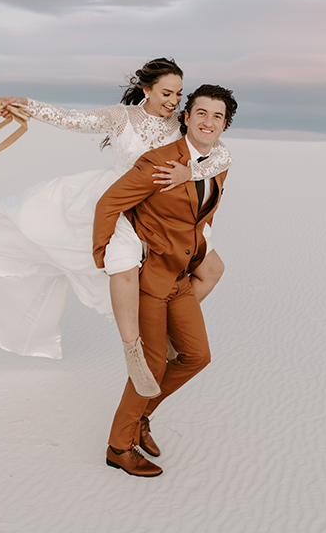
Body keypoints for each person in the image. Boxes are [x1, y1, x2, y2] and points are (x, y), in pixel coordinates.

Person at [0, 60, 232, 395]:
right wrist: (25, 105)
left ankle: (167, 327)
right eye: (166, 92)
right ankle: (133, 349)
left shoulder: (182, 122)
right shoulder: (120, 118)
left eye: (178, 93)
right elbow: (70, 119)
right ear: (146, 90)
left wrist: (188, 173)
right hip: (122, 203)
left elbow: (221, 155)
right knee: (124, 264)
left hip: (167, 207)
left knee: (212, 269)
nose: (174, 100)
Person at [92, 84, 237, 477]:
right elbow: (110, 202)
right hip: (151, 279)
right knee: (152, 364)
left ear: (225, 124)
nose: (209, 121)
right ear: (186, 117)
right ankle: (119, 446)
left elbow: (200, 213)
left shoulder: (217, 162)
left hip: (181, 276)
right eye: (201, 113)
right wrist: (102, 253)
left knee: (196, 356)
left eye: (217, 116)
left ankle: (142, 414)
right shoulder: (158, 162)